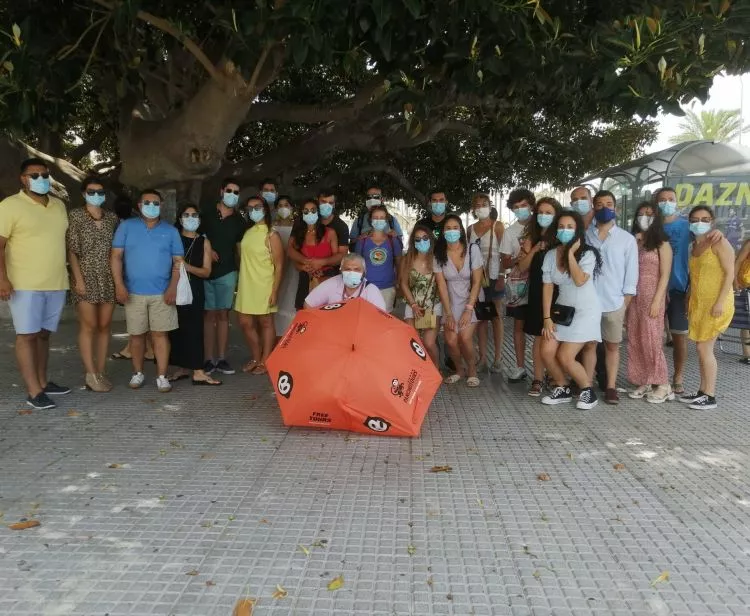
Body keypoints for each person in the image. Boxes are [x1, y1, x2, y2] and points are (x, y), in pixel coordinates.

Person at [0, 158, 71, 410]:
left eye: (44, 174)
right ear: (23, 179)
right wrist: (2, 278)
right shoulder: (9, 206)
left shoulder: (59, 206)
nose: (40, 179)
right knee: (27, 335)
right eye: (34, 175)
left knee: (43, 335)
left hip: (56, 281)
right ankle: (33, 391)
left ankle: (42, 382)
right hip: (24, 283)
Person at [112, 189, 184, 392]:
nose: (151, 206)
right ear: (139, 205)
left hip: (162, 293)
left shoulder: (170, 231)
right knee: (136, 336)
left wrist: (173, 287)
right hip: (133, 292)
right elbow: (116, 256)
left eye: (155, 203)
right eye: (147, 202)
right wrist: (119, 285)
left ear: (161, 206)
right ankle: (137, 373)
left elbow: (178, 262)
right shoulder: (126, 226)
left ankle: (161, 376)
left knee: (160, 335)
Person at [655, 186, 722, 395]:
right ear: (656, 203)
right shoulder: (652, 227)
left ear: (676, 201)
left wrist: (717, 232)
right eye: (662, 199)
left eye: (671, 199)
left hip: (679, 289)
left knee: (679, 337)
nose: (667, 202)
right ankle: (656, 376)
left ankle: (678, 376)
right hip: (653, 289)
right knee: (653, 336)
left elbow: (707, 239)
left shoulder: (687, 226)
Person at [540, 211, 603, 410]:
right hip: (563, 312)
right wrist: (547, 317)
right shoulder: (550, 254)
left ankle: (587, 391)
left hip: (586, 311)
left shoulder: (588, 253)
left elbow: (579, 280)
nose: (564, 230)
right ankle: (562, 386)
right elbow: (547, 285)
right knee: (547, 351)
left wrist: (569, 253)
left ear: (578, 230)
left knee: (566, 356)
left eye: (570, 227)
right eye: (561, 226)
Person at [584, 190, 638, 405]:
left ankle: (611, 387)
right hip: (588, 302)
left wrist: (624, 302)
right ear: (593, 208)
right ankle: (587, 385)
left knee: (612, 347)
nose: (604, 208)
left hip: (614, 302)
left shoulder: (627, 239)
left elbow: (631, 274)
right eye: (599, 204)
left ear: (616, 208)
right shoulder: (586, 235)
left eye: (608, 203)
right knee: (589, 344)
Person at [67, 176, 119, 393]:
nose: (96, 195)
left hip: (108, 277)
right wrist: (78, 279)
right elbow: (72, 250)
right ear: (83, 193)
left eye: (100, 192)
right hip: (85, 275)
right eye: (91, 191)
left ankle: (100, 370)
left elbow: (116, 252)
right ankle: (90, 373)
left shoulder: (112, 218)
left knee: (105, 326)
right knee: (88, 325)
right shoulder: (76, 216)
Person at [680, 206, 735, 409]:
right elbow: (695, 277)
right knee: (701, 348)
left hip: (716, 303)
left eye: (704, 219)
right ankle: (702, 390)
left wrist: (720, 302)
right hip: (699, 303)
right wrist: (689, 299)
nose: (699, 223)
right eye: (695, 219)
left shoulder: (719, 242)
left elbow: (730, 273)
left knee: (705, 348)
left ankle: (710, 395)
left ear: (712, 221)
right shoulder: (695, 244)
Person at [165, 204, 221, 386]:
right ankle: (182, 368)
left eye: (194, 215)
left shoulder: (203, 242)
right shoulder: (173, 238)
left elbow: (206, 272)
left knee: (195, 328)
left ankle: (198, 370)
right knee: (176, 328)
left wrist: (186, 267)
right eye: (186, 215)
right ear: (180, 219)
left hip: (195, 289)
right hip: (173, 288)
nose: (190, 218)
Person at [626, 202, 674, 403]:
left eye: (649, 214)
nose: (644, 217)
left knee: (652, 339)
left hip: (652, 297)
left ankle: (663, 383)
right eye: (641, 214)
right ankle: (644, 379)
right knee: (636, 339)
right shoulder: (633, 242)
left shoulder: (662, 244)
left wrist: (657, 301)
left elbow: (665, 275)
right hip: (634, 298)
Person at [201, 178, 247, 376]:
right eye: (229, 190)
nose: (232, 195)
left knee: (223, 315)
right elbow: (196, 234)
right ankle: (207, 359)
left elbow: (240, 249)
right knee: (208, 315)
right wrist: (207, 249)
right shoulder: (206, 213)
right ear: (222, 191)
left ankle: (221, 358)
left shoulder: (239, 221)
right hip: (205, 272)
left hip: (228, 272)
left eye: (236, 192)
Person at [235, 195, 285, 375]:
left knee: (265, 322)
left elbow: (279, 266)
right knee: (245, 322)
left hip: (264, 284)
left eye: (257, 207)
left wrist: (275, 290)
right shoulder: (248, 232)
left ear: (265, 209)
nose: (254, 211)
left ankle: (265, 359)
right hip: (246, 285)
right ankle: (256, 356)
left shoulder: (272, 234)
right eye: (250, 208)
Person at [434, 214, 484, 387]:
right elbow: (441, 285)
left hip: (472, 299)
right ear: (443, 232)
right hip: (450, 300)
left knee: (464, 337)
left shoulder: (472, 249)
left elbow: (477, 281)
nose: (451, 231)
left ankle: (472, 370)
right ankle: (459, 369)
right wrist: (448, 314)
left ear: (461, 230)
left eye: (455, 228)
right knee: (450, 340)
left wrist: (469, 308)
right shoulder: (438, 253)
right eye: (448, 228)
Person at [519, 196, 561, 396]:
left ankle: (554, 376)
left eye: (549, 213)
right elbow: (522, 267)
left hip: (559, 292)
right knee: (539, 336)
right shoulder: (531, 238)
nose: (544, 216)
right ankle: (537, 377)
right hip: (537, 291)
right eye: (541, 213)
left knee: (556, 336)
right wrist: (535, 249)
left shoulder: (562, 237)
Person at [500, 188, 536, 382]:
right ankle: (520, 366)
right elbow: (504, 262)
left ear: (531, 204)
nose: (521, 209)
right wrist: (517, 259)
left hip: (540, 283)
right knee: (519, 326)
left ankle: (543, 369)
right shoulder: (510, 232)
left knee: (541, 328)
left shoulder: (541, 226)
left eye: (524, 205)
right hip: (518, 286)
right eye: (516, 207)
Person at [468, 193, 505, 373]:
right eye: (477, 204)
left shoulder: (498, 227)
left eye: (484, 204)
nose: (481, 207)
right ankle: (482, 358)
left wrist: (501, 277)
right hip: (477, 279)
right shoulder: (470, 229)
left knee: (496, 318)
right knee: (481, 318)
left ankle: (498, 359)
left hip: (494, 277)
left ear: (490, 206)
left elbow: (504, 253)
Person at [400, 224, 441, 366]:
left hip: (433, 306)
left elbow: (442, 285)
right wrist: (413, 305)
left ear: (430, 239)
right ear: (413, 242)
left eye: (425, 238)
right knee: (415, 343)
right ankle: (420, 372)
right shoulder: (407, 259)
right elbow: (403, 284)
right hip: (412, 306)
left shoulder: (437, 260)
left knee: (429, 343)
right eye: (417, 239)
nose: (421, 242)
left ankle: (435, 371)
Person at [288, 199, 339, 309]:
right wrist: (305, 265)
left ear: (318, 212)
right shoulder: (298, 233)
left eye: (313, 210)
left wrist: (321, 263)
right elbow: (291, 254)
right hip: (305, 279)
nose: (310, 213)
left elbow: (338, 258)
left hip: (326, 279)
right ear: (301, 214)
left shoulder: (330, 232)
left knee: (325, 315)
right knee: (303, 317)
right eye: (306, 211)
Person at [353, 204, 403, 313]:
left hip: (388, 288)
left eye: (382, 218)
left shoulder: (392, 240)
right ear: (370, 220)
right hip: (366, 287)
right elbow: (356, 265)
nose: (378, 220)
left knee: (384, 321)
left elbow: (399, 262)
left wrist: (399, 281)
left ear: (386, 220)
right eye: (375, 218)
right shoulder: (362, 241)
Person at [304, 253, 386, 310]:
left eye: (356, 269)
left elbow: (380, 319)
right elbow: (308, 305)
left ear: (364, 272)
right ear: (341, 271)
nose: (351, 273)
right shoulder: (332, 283)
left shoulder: (371, 291)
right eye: (348, 269)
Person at [272, 195, 298, 337]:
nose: (283, 209)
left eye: (286, 205)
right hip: (275, 271)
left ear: (292, 208)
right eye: (280, 206)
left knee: (290, 299)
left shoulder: (298, 227)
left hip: (293, 270)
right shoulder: (271, 228)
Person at [317, 188, 350, 273]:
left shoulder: (342, 227)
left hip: (330, 275)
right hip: (306, 273)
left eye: (330, 203)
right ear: (317, 201)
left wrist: (319, 263)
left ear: (334, 205)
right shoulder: (308, 222)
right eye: (323, 202)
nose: (326, 205)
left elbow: (343, 255)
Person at [734, 239, 750, 365]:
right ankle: (747, 354)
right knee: (746, 321)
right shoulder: (749, 244)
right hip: (746, 285)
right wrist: (735, 282)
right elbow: (738, 262)